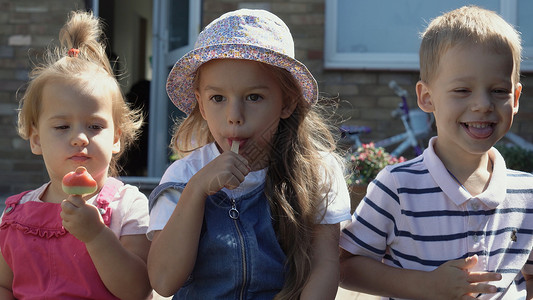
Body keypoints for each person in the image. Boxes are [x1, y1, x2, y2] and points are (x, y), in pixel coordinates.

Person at [147, 8, 351, 299]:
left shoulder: (318, 172)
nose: (234, 116)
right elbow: (164, 281)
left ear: (287, 103)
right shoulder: (184, 176)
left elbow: (324, 264)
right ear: (201, 105)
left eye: (254, 97)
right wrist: (196, 191)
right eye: (218, 98)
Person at [339, 5, 533, 300]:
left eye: (498, 91)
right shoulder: (398, 187)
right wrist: (427, 286)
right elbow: (345, 266)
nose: (482, 104)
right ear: (427, 97)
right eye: (462, 91)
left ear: (516, 98)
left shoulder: (527, 194)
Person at [0, 11, 152, 299]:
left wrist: (96, 236)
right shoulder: (14, 214)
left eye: (95, 126)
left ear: (116, 139)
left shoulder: (128, 206)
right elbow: (4, 284)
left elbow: (139, 290)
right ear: (36, 140)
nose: (80, 138)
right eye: (62, 126)